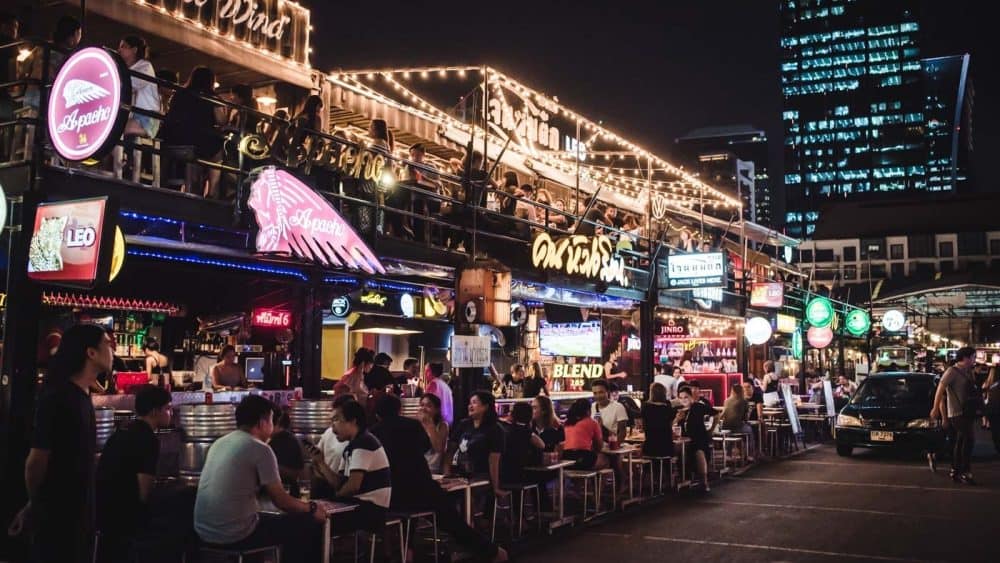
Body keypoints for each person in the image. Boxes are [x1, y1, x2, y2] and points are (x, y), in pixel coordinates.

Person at [10, 325, 112, 562]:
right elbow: (35, 462)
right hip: (59, 523)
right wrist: (35, 505)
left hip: (78, 519)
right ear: (91, 353)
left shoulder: (83, 396)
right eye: (107, 344)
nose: (112, 350)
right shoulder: (58, 397)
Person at [370, 395, 508, 562]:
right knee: (453, 522)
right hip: (422, 486)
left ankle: (405, 552)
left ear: (377, 415)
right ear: (399, 410)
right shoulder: (412, 425)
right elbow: (427, 448)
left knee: (406, 516)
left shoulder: (373, 432)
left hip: (392, 493)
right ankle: (492, 552)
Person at [193, 396, 325, 560]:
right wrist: (311, 508)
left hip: (202, 532)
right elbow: (281, 501)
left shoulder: (219, 443)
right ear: (262, 423)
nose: (272, 426)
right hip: (234, 534)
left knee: (264, 521)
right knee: (306, 523)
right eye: (271, 420)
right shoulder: (260, 448)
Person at [95, 385, 172, 562]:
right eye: (167, 408)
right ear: (154, 411)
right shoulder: (148, 439)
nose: (170, 413)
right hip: (123, 518)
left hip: (102, 511)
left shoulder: (122, 431)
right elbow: (143, 492)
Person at [322, 400, 391, 536]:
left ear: (353, 421)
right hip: (357, 505)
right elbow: (340, 483)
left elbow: (353, 486)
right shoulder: (352, 446)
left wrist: (333, 499)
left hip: (370, 510)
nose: (332, 426)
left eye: (336, 420)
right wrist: (321, 463)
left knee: (316, 519)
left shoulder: (364, 443)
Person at [157, 66, 227, 197]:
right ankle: (212, 191)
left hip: (173, 139)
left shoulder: (179, 94)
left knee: (208, 145)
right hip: (196, 141)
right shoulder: (211, 97)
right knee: (218, 151)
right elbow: (221, 121)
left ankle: (171, 183)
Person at [930, 347, 979, 484]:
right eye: (973, 357)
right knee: (968, 440)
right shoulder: (952, 371)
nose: (974, 360)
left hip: (968, 411)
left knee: (962, 441)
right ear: (965, 358)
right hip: (956, 413)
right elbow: (940, 389)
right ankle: (963, 470)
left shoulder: (969, 371)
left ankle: (957, 470)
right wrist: (936, 408)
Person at [447, 392, 508, 499]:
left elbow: (494, 461)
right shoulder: (463, 424)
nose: (470, 406)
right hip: (460, 474)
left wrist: (496, 487)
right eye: (469, 403)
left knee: (466, 494)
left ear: (485, 406)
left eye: (474, 403)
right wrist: (446, 473)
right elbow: (450, 451)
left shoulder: (495, 429)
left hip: (482, 476)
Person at [24, 16, 81, 112]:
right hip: (48, 101)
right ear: (75, 34)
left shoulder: (39, 49)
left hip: (29, 97)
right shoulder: (67, 56)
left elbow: (25, 68)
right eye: (79, 34)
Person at [117, 35, 160, 138]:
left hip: (147, 117)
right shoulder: (124, 69)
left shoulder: (145, 67)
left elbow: (132, 84)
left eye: (123, 46)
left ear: (134, 50)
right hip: (133, 116)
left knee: (116, 129)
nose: (119, 49)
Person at [676, 386, 716, 492]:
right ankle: (682, 478)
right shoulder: (678, 410)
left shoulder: (698, 407)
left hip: (699, 438)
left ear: (691, 397)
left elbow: (716, 414)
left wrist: (711, 429)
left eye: (686, 397)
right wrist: (677, 419)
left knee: (699, 451)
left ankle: (704, 481)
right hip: (684, 440)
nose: (683, 400)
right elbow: (672, 426)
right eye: (681, 397)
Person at [501, 402, 545, 484]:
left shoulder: (504, 428)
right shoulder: (525, 430)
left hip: (504, 471)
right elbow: (542, 445)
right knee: (539, 478)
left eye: (511, 411)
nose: (508, 413)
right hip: (520, 472)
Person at [268, 409, 306, 498]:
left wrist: (269, 466)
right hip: (285, 495)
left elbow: (296, 473)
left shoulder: (284, 440)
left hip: (285, 495)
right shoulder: (283, 439)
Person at [561, 399, 607, 470]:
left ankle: (584, 480)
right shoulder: (592, 422)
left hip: (566, 459)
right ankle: (596, 481)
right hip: (583, 458)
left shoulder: (567, 423)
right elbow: (599, 447)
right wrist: (599, 427)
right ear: (588, 411)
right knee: (605, 460)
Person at [640, 383, 676, 458]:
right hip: (667, 447)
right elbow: (670, 425)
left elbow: (643, 427)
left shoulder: (645, 407)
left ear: (651, 393)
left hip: (650, 446)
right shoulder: (667, 408)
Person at [720, 384, 754, 461]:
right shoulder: (744, 401)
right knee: (750, 430)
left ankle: (728, 454)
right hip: (737, 427)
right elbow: (746, 418)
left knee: (731, 433)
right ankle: (750, 454)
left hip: (725, 427)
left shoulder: (726, 400)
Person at [419, 393, 449, 473]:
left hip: (433, 470)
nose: (424, 409)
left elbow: (439, 448)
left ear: (437, 409)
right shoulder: (416, 425)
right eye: (422, 405)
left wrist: (429, 424)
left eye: (428, 406)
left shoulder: (442, 425)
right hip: (417, 469)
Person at [591, 379, 628, 445]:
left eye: (601, 392)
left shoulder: (618, 407)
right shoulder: (592, 407)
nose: (598, 396)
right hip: (595, 448)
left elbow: (623, 432)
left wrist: (614, 446)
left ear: (607, 392)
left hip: (610, 448)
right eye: (595, 393)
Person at [984, 366, 1000, 454]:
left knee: (995, 432)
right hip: (996, 410)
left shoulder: (988, 384)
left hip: (991, 410)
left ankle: (997, 447)